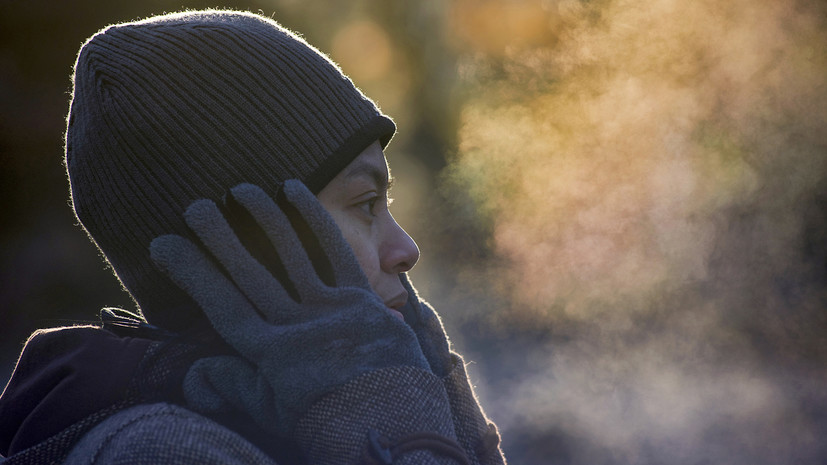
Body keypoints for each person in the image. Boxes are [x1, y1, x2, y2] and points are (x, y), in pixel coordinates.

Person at [0, 9, 506, 465]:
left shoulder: (296, 409)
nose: (407, 250)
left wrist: (443, 407)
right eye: (365, 203)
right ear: (248, 238)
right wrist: (397, 428)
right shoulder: (163, 450)